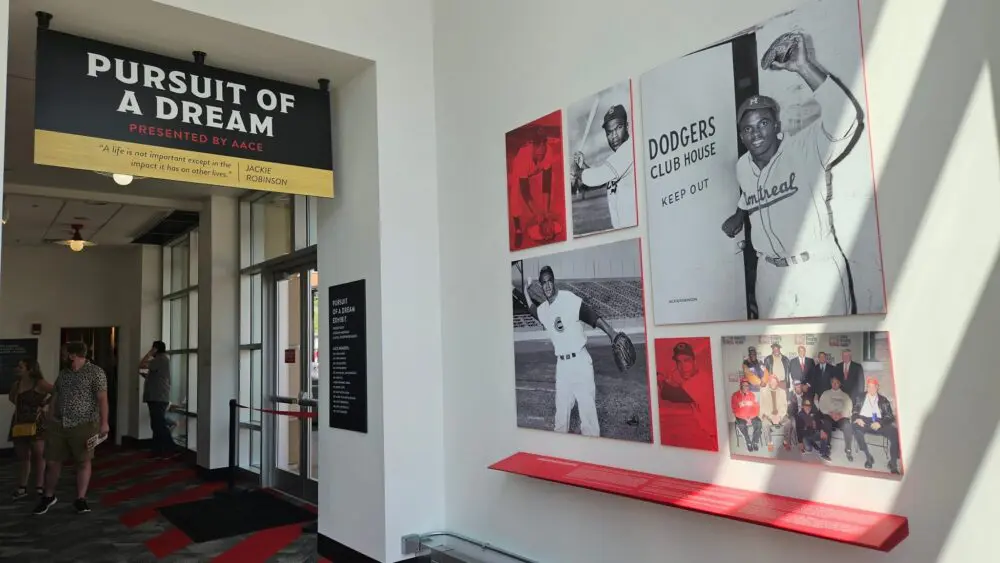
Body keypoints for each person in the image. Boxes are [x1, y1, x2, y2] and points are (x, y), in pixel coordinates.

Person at [720, 31, 865, 319]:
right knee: (778, 359)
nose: (756, 133)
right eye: (747, 129)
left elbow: (847, 119)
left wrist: (803, 67)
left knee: (833, 355)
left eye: (763, 123)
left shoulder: (805, 147)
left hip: (815, 270)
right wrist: (739, 215)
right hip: (769, 276)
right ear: (741, 136)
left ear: (777, 126)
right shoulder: (742, 166)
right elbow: (749, 193)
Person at [522, 265, 626, 437]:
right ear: (540, 285)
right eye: (543, 283)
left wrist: (612, 333)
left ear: (553, 282)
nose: (547, 285)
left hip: (580, 363)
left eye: (549, 281)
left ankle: (592, 455)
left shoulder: (568, 298)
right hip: (562, 368)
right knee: (561, 418)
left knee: (588, 417)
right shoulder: (544, 310)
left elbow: (590, 315)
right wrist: (525, 291)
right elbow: (532, 309)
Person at [33, 341, 109, 515]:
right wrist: (50, 417)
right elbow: (55, 396)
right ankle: (48, 496)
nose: (61, 355)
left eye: (64, 353)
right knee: (52, 462)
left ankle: (80, 499)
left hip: (84, 425)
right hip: (59, 425)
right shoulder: (64, 374)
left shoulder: (95, 373)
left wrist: (104, 422)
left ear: (72, 355)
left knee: (83, 461)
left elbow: (103, 399)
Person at [571, 104, 638, 230]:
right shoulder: (619, 159)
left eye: (618, 127)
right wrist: (582, 165)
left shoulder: (629, 149)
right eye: (609, 132)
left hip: (632, 229)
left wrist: (577, 171)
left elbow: (597, 177)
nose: (614, 136)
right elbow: (603, 180)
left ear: (627, 126)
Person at [657, 341, 717, 450]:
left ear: (694, 361)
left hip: (717, 436)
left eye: (687, 361)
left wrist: (660, 379)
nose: (683, 366)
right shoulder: (691, 376)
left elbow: (669, 394)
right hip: (711, 435)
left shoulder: (702, 380)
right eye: (679, 362)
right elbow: (675, 376)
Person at [509, 127, 562, 248]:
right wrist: (536, 213)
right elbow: (524, 190)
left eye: (543, 143)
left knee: (552, 180)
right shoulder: (522, 156)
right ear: (532, 144)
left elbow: (546, 184)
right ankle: (518, 229)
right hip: (522, 170)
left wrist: (545, 211)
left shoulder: (548, 151)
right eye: (538, 144)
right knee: (514, 197)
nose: (541, 148)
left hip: (536, 168)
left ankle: (546, 212)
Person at [7, 359, 53, 500]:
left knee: (39, 454)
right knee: (23, 456)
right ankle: (23, 486)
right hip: (20, 422)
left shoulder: (38, 383)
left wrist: (44, 404)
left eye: (21, 366)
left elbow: (57, 391)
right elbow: (12, 398)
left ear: (29, 369)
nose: (17, 368)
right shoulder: (17, 384)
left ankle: (39, 486)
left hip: (36, 422)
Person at [852, 377, 901, 474]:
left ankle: (893, 463)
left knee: (894, 433)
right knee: (855, 428)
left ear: (877, 387)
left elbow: (890, 416)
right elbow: (855, 411)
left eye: (873, 387)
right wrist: (857, 419)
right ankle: (868, 457)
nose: (871, 390)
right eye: (869, 387)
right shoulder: (860, 397)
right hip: (864, 420)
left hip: (879, 421)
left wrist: (880, 423)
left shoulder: (883, 400)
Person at [140, 341, 175, 459]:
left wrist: (150, 353)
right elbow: (159, 376)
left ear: (156, 349)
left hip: (158, 397)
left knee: (158, 424)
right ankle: (157, 450)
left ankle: (170, 448)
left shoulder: (160, 359)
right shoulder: (162, 360)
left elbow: (141, 364)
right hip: (157, 396)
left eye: (153, 348)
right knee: (156, 424)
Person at [816, 376, 854, 462]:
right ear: (831, 383)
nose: (835, 384)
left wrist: (841, 414)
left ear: (840, 384)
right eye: (833, 382)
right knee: (826, 424)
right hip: (829, 415)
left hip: (841, 416)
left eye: (837, 382)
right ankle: (826, 446)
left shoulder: (845, 395)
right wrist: (830, 413)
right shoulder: (826, 393)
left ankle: (848, 449)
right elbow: (821, 406)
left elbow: (849, 409)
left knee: (847, 426)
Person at [758, 375, 791, 451]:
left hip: (780, 415)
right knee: (765, 424)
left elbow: (784, 406)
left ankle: (786, 441)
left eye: (775, 382)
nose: (773, 383)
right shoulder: (763, 391)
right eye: (771, 382)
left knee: (788, 422)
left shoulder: (782, 392)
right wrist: (771, 416)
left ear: (777, 383)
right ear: (769, 382)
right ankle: (769, 443)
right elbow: (763, 406)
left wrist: (779, 416)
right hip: (768, 415)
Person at [731, 378, 762, 451]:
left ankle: (755, 442)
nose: (746, 387)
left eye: (747, 386)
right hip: (741, 417)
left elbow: (757, 407)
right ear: (741, 386)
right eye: (744, 385)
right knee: (741, 425)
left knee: (759, 423)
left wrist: (751, 416)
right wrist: (745, 417)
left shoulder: (752, 395)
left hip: (752, 415)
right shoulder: (735, 396)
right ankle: (748, 442)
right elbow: (734, 409)